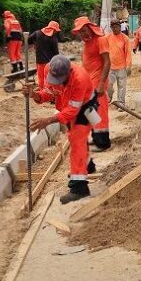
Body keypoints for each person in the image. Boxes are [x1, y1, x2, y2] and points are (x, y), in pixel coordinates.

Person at [23, 54, 98, 204]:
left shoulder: (79, 78)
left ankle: (79, 188)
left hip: (85, 107)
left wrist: (48, 120)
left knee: (77, 143)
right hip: (69, 108)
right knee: (76, 139)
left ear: (68, 73)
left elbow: (72, 110)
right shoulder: (49, 70)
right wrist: (34, 95)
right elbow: (49, 93)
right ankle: (87, 165)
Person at [72, 16, 111, 150]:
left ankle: (103, 143)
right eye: (81, 32)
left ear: (90, 28)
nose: (83, 34)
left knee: (100, 112)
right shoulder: (87, 43)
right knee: (92, 112)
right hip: (90, 84)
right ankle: (97, 139)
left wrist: (101, 84)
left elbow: (107, 62)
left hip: (98, 84)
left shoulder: (100, 40)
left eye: (85, 30)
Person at [28, 20, 61, 90]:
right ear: (53, 29)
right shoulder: (53, 38)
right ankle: (48, 95)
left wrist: (36, 42)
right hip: (49, 63)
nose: (56, 32)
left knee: (41, 79)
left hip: (39, 62)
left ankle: (42, 94)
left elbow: (28, 40)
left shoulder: (37, 33)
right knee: (48, 80)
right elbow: (56, 53)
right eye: (56, 30)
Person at [107, 19, 132, 104]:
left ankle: (121, 102)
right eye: (112, 27)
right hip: (110, 67)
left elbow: (128, 53)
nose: (114, 29)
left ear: (120, 27)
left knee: (121, 86)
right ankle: (109, 97)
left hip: (122, 67)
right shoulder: (107, 38)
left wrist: (128, 65)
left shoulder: (125, 39)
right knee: (109, 84)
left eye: (116, 27)